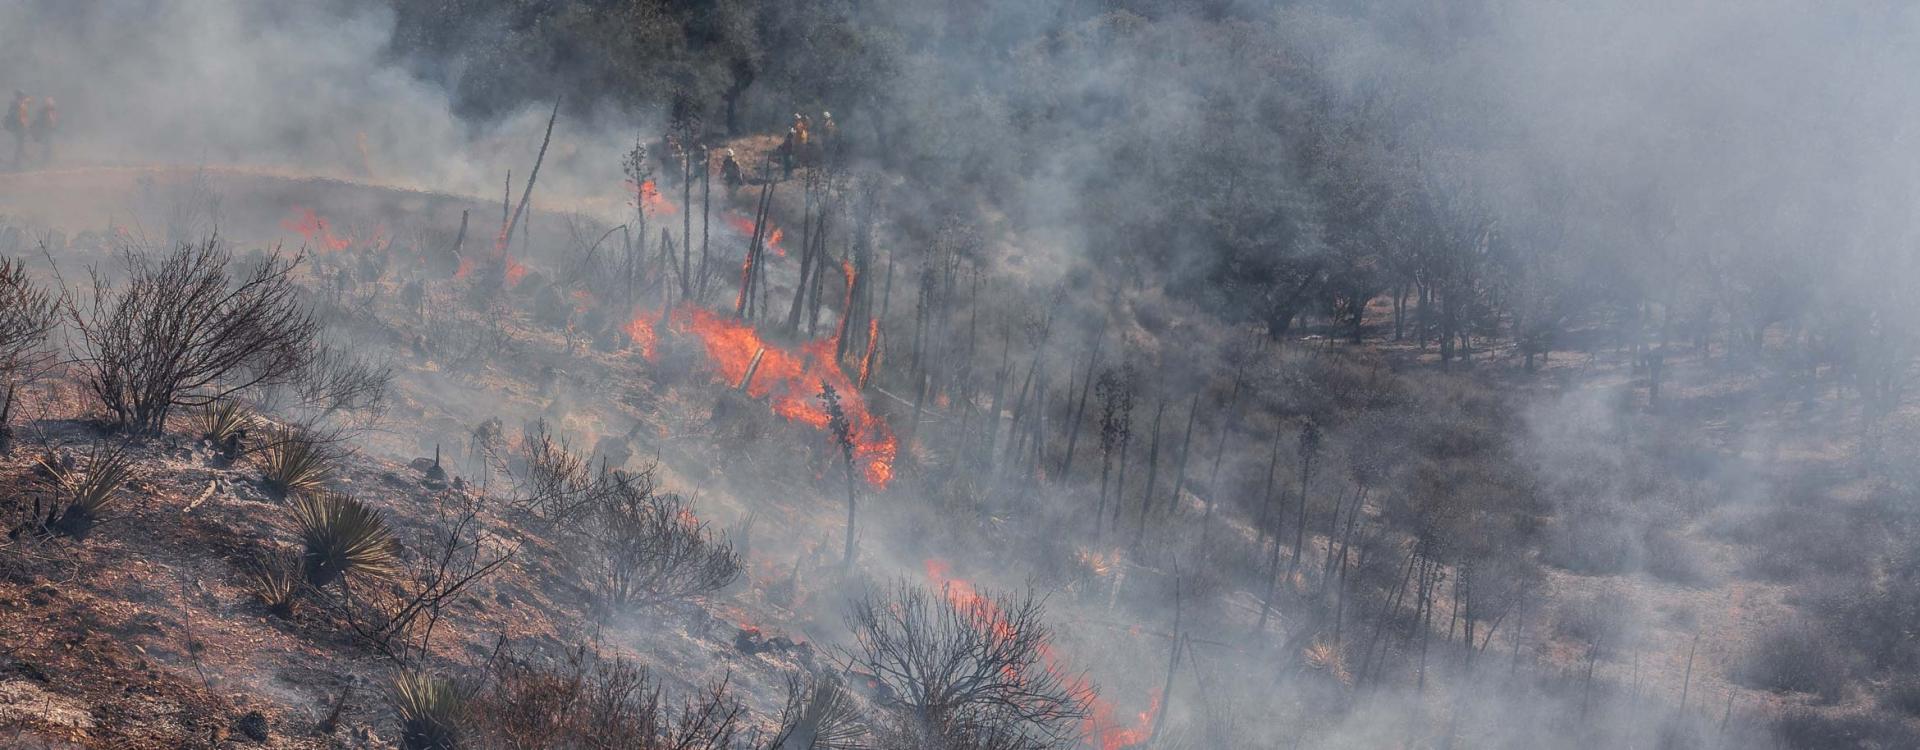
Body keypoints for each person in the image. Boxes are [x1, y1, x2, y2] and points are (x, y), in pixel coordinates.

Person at [5, 92, 29, 169]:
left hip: (20, 128)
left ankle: (17, 164)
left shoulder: (17, 104)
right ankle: (16, 165)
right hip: (18, 128)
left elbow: (29, 101)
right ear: (19, 97)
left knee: (20, 146)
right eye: (22, 97)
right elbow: (18, 118)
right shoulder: (16, 105)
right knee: (19, 147)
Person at [30, 97, 55, 166]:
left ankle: (47, 160)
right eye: (50, 102)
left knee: (48, 146)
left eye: (52, 102)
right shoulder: (44, 111)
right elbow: (43, 121)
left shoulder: (49, 110)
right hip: (45, 130)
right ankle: (45, 161)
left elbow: (51, 120)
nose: (52, 103)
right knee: (47, 145)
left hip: (48, 130)